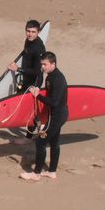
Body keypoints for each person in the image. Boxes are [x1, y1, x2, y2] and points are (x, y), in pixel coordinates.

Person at [20, 52, 68, 181]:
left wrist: (38, 96)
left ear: (53, 64)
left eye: (45, 64)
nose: (43, 67)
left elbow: (54, 102)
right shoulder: (50, 76)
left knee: (40, 142)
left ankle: (36, 174)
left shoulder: (57, 79)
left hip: (57, 116)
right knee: (54, 142)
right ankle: (52, 171)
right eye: (41, 64)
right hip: (58, 114)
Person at [8, 19, 45, 93]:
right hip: (24, 76)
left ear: (39, 32)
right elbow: (26, 52)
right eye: (28, 31)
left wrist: (18, 69)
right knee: (18, 93)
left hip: (33, 83)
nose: (30, 34)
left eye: (33, 32)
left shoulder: (38, 49)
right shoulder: (28, 40)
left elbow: (37, 72)